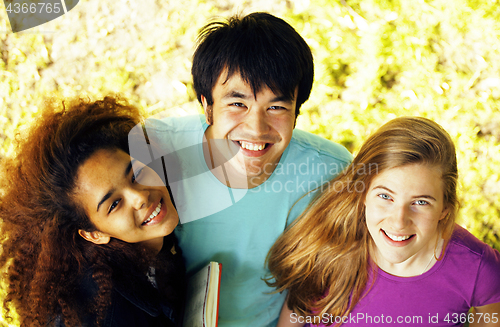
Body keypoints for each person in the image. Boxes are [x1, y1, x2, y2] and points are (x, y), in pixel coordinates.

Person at [142, 12, 352, 326]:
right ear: (207, 105)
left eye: (277, 107)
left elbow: (322, 277)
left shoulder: (330, 171)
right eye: (237, 103)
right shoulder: (156, 149)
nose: (256, 127)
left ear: (297, 112)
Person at [266, 117, 500, 327]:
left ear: (445, 209)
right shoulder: (326, 244)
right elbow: (296, 310)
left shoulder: (478, 269)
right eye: (385, 196)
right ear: (363, 193)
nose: (399, 222)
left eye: (420, 202)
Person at [0, 97, 185, 327]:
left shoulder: (152, 232)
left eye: (135, 174)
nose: (140, 197)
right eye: (114, 204)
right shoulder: (106, 315)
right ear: (94, 234)